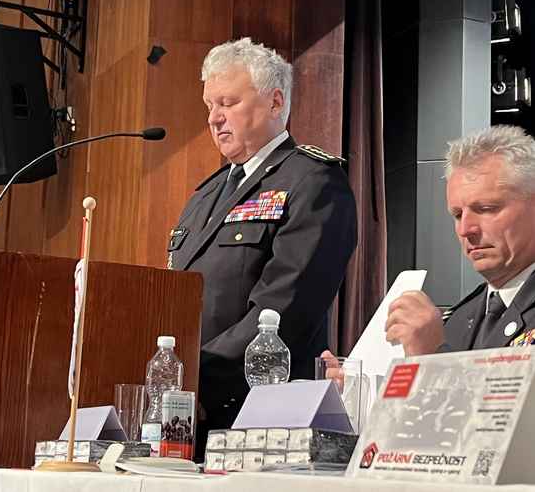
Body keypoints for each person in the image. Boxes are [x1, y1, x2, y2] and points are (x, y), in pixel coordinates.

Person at [168, 37, 357, 434]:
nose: (214, 118)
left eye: (228, 103)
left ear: (275, 102)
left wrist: (194, 374)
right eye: (209, 106)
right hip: (187, 410)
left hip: (260, 414)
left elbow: (284, 309)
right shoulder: (205, 195)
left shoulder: (313, 181)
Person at [385, 125, 535, 355]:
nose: (465, 229)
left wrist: (432, 357)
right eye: (457, 215)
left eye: (486, 209)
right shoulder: (456, 319)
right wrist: (359, 378)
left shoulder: (437, 335)